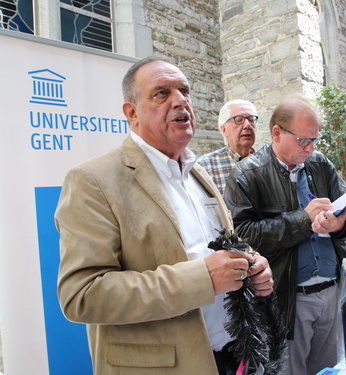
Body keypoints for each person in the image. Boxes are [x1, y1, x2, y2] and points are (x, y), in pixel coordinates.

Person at [55, 56, 274, 375]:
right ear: (131, 113)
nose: (180, 101)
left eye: (184, 91)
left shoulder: (197, 173)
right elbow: (82, 294)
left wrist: (252, 262)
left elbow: (221, 245)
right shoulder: (93, 179)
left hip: (231, 354)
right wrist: (203, 278)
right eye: (161, 93)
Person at [223, 94, 346, 375]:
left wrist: (340, 226)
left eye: (314, 140)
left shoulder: (320, 164)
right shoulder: (247, 174)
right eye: (303, 140)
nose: (310, 148)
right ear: (276, 132)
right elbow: (242, 237)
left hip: (331, 291)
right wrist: (303, 220)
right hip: (288, 299)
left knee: (328, 370)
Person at [197, 99, 258, 194]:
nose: (247, 125)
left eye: (251, 119)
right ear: (224, 129)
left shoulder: (268, 163)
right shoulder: (206, 166)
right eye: (238, 120)